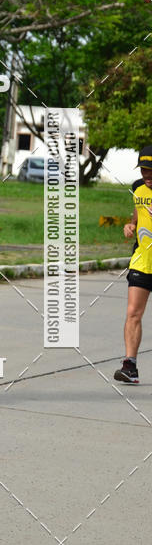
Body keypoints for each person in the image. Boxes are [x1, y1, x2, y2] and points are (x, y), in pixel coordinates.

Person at [114, 145, 152, 384]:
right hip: (142, 260)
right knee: (133, 313)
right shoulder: (138, 188)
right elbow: (137, 215)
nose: (147, 175)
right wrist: (130, 226)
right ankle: (130, 366)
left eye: (151, 171)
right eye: (144, 170)